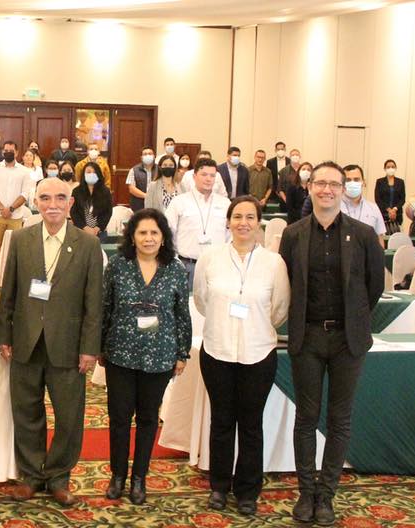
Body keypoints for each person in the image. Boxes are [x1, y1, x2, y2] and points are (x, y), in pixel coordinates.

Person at [277, 161, 384, 526]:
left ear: (345, 189)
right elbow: (286, 282)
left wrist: (353, 318)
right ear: (310, 187)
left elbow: (374, 287)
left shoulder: (365, 234)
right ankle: (306, 493)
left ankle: (327, 495)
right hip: (307, 337)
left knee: (340, 420)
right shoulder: (292, 234)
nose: (327, 189)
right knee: (306, 418)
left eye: (334, 184)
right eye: (320, 182)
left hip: (347, 339)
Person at [0, 177, 103, 506]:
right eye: (45, 197)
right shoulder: (21, 239)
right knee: (26, 411)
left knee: (69, 415)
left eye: (60, 197)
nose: (52, 203)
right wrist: (4, 334)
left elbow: (94, 302)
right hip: (26, 340)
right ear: (36, 202)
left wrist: (90, 347)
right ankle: (31, 475)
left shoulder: (87, 245)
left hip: (69, 346)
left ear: (71, 203)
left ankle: (58, 476)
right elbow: (9, 292)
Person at [193, 196, 290, 516]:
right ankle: (219, 487)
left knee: (251, 424)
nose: (243, 222)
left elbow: (279, 309)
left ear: (259, 222)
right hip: (218, 349)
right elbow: (202, 300)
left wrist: (256, 328)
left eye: (250, 217)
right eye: (237, 216)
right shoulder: (211, 258)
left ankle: (248, 490)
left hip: (258, 352)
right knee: (221, 421)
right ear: (228, 221)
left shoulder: (273, 263)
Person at [100, 207, 191, 505]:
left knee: (149, 418)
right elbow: (105, 307)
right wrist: (100, 346)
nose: (148, 238)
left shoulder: (176, 270)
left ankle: (139, 478)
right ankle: (117, 476)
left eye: (154, 232)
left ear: (163, 237)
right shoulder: (117, 266)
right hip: (120, 354)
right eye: (142, 232)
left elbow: (181, 315)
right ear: (132, 236)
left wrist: (182, 353)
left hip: (160, 356)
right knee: (119, 418)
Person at [165, 158, 230, 286]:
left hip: (216, 266)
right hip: (187, 266)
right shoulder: (179, 202)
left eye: (212, 175)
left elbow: (230, 235)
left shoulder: (225, 203)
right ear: (194, 176)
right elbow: (168, 232)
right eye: (204, 174)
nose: (208, 179)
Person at [339, 164, 387, 244]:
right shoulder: (332, 208)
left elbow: (379, 239)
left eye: (356, 179)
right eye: (348, 180)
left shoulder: (373, 208)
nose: (352, 183)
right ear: (342, 184)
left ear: (363, 182)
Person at [72, 162, 112, 242]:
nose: (91, 174)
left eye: (94, 172)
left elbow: (108, 212)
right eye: (88, 172)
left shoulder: (105, 191)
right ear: (84, 174)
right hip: (81, 230)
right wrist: (85, 228)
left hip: (100, 232)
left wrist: (97, 228)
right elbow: (74, 212)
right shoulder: (76, 191)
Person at [374, 159, 405, 233]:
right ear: (385, 169)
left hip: (397, 214)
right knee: (383, 235)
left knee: (397, 236)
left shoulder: (400, 182)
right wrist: (388, 210)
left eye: (392, 167)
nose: (390, 168)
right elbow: (378, 198)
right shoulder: (380, 182)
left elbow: (403, 199)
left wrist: (394, 209)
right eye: (388, 167)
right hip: (383, 213)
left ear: (395, 168)